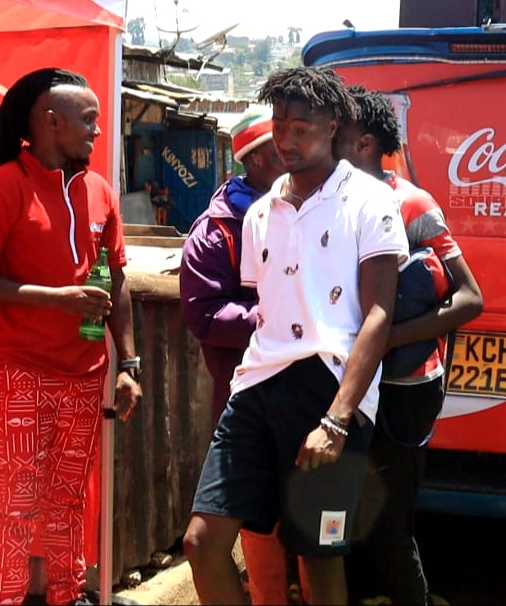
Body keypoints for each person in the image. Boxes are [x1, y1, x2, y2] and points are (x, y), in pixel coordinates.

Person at [181, 66, 408, 606]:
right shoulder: (260, 214)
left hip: (330, 392)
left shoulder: (371, 202)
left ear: (333, 125)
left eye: (300, 127)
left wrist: (337, 420)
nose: (286, 139)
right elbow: (268, 310)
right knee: (202, 542)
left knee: (318, 560)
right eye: (279, 126)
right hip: (258, 387)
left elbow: (378, 313)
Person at [0, 67, 143, 606]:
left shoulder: (101, 191)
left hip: (86, 375)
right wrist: (55, 297)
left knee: (67, 501)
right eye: (88, 120)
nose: (97, 131)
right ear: (50, 122)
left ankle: (67, 598)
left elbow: (116, 278)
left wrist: (128, 365)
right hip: (22, 373)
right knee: (17, 506)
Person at [335, 85, 484, 605]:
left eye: (339, 133)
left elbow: (470, 299)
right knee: (340, 524)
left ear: (366, 143)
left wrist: (383, 340)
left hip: (404, 388)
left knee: (389, 527)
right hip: (344, 389)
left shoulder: (412, 203)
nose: (327, 142)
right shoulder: (324, 201)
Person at [180, 105, 310, 605]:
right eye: (283, 150)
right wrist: (270, 318)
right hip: (248, 394)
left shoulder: (305, 212)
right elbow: (203, 316)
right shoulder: (217, 232)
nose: (294, 159)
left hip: (305, 391)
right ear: (256, 161)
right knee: (255, 518)